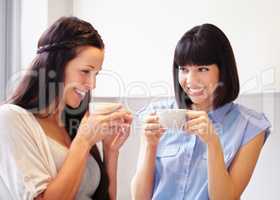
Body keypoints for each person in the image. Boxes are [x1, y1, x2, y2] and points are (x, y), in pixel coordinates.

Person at [131, 23, 271, 200]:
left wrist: (213, 143)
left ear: (223, 70)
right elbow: (139, 197)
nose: (191, 80)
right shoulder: (157, 114)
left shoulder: (250, 127)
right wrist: (150, 146)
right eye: (184, 69)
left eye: (202, 69)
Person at [0, 16, 132, 200]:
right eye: (85, 71)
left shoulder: (73, 123)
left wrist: (111, 150)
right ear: (55, 65)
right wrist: (83, 141)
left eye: (96, 74)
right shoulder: (10, 118)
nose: (92, 85)